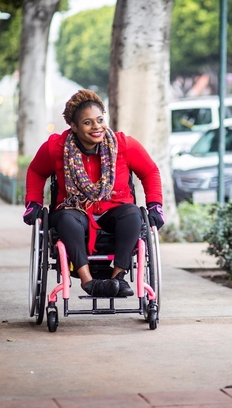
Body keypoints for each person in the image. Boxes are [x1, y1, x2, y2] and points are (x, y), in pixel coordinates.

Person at [23, 89, 165, 298]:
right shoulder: (56, 148)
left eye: (99, 119)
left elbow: (150, 171)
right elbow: (36, 171)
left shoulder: (123, 145)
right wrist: (33, 203)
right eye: (88, 122)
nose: (96, 126)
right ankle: (89, 282)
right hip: (75, 210)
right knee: (65, 219)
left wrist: (155, 205)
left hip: (114, 211)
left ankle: (118, 278)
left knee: (133, 214)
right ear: (74, 126)